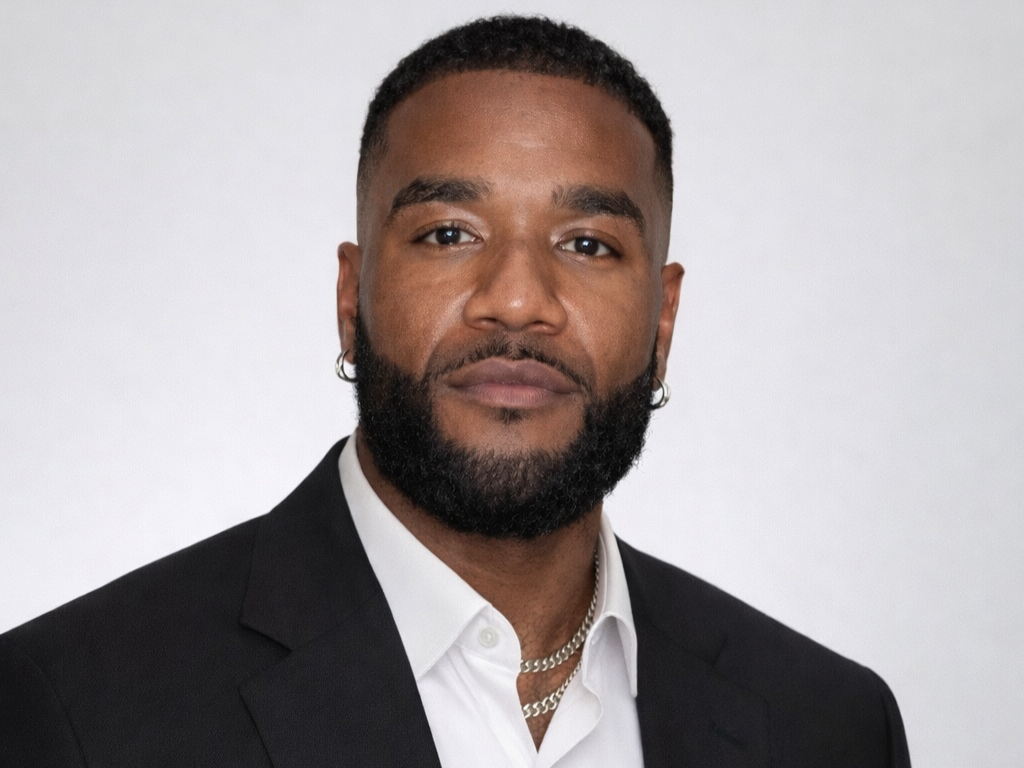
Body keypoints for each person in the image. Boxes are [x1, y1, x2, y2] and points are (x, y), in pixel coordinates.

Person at [0, 15, 910, 767]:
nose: (517, 298)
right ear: (351, 298)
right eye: (447, 234)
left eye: (588, 243)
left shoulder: (827, 727)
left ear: (662, 323)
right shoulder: (75, 710)